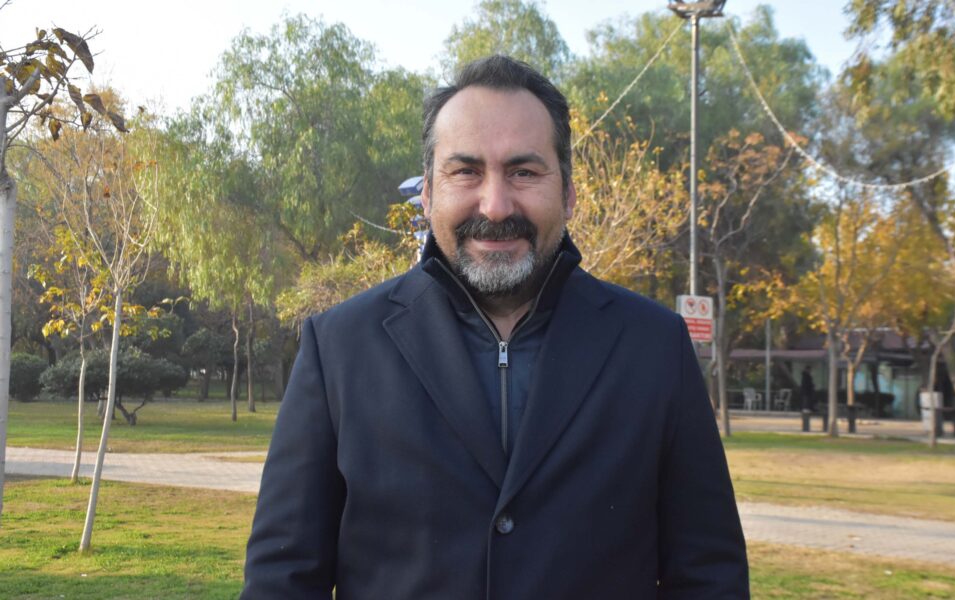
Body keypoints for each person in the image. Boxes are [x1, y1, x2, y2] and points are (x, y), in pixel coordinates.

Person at [242, 55, 748, 599]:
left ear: (568, 193)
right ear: (428, 194)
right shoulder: (339, 347)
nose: (497, 204)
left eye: (524, 172)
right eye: (466, 171)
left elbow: (708, 578)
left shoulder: (655, 347)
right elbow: (282, 580)